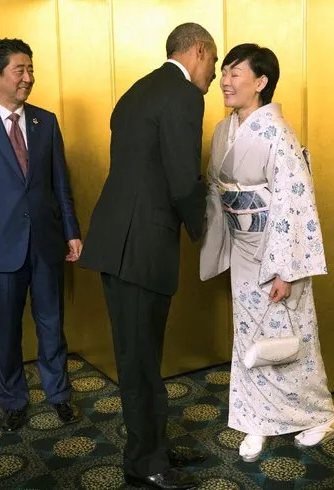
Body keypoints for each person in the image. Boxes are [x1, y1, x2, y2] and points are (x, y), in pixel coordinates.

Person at [79, 23, 217, 490]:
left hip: (121, 244)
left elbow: (142, 171)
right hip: (140, 248)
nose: (214, 76)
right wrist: (208, 233)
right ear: (198, 51)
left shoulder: (137, 91)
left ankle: (152, 445)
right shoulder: (182, 94)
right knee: (139, 363)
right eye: (214, 63)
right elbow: (182, 180)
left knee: (141, 358)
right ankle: (145, 462)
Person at [200, 43, 334, 463]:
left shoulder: (278, 133)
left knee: (289, 337)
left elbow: (294, 203)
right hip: (243, 247)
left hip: (276, 250)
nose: (225, 80)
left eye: (235, 73)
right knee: (249, 333)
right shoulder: (224, 130)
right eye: (224, 72)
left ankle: (320, 415)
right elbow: (215, 188)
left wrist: (285, 269)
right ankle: (256, 419)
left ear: (260, 83)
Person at [0, 38, 82, 433]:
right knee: (6, 331)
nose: (28, 77)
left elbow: (61, 184)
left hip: (45, 242)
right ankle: (13, 400)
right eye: (19, 70)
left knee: (51, 324)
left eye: (31, 69)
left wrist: (71, 232)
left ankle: (59, 395)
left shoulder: (46, 121)